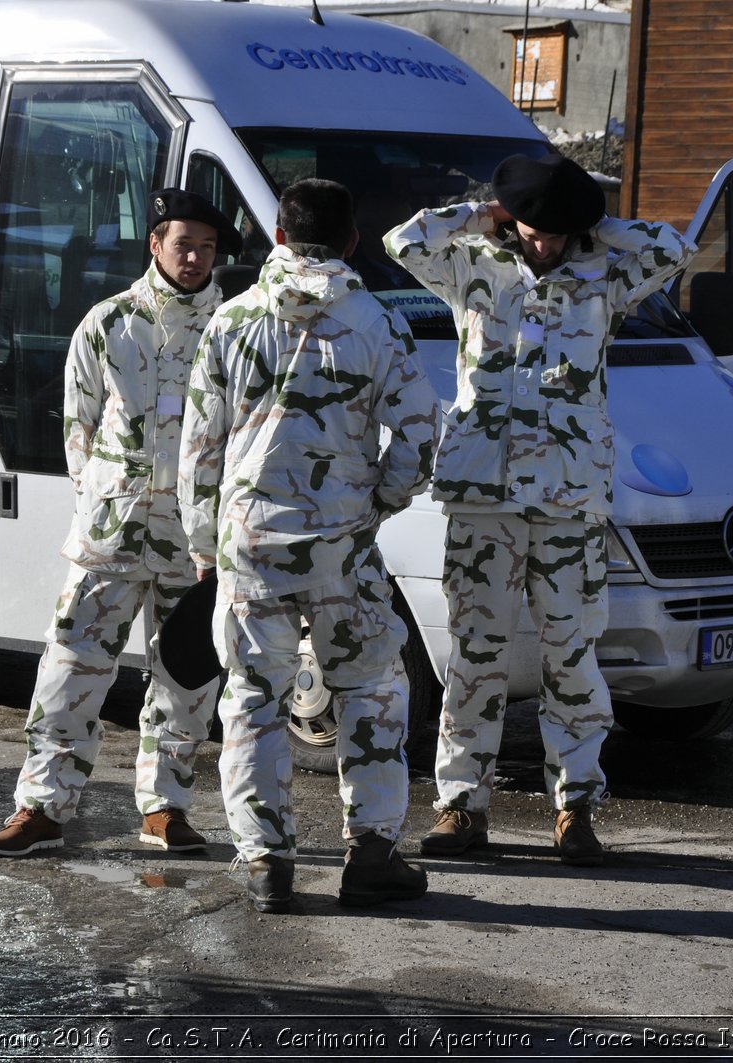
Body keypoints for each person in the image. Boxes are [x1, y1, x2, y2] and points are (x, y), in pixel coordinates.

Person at [384, 154, 697, 865]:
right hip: (483, 497)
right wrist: (479, 216)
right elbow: (401, 242)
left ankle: (576, 808)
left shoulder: (603, 277)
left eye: (560, 232)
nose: (546, 243)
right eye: (535, 228)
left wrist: (597, 229)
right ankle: (462, 807)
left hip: (567, 499)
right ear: (508, 217)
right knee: (475, 657)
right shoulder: (471, 264)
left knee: (573, 657)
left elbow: (675, 248)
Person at [179, 178, 441, 912]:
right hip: (341, 548)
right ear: (353, 240)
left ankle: (266, 863)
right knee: (371, 692)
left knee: (252, 701)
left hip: (250, 546)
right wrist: (378, 501)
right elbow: (422, 432)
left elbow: (198, 449)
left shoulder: (230, 322)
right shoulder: (377, 323)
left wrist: (205, 545)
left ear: (279, 236)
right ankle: (372, 854)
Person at [0, 189, 243, 858]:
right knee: (68, 671)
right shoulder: (109, 322)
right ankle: (41, 807)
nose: (195, 258)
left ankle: (164, 808)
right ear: (155, 243)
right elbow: (80, 426)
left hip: (196, 544)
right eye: (184, 244)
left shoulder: (234, 329)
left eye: (208, 248)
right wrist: (108, 497)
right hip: (111, 537)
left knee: (187, 679)